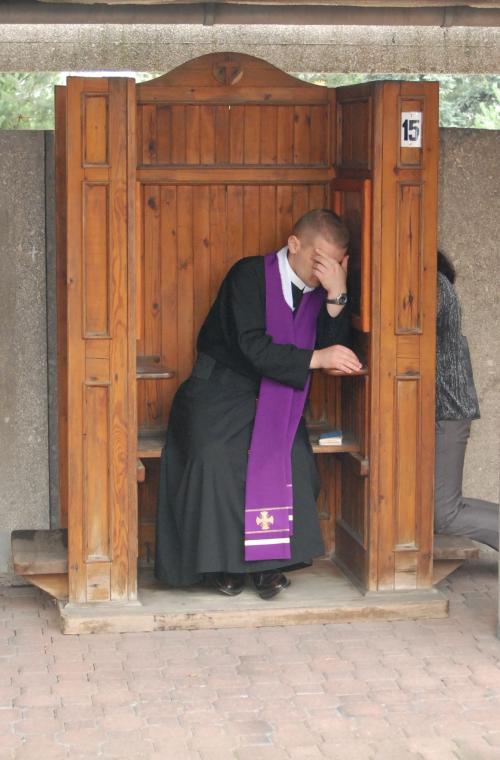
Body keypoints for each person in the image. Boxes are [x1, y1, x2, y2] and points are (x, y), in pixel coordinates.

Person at [155, 209, 362, 599]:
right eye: (318, 260)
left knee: (291, 458)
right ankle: (223, 566)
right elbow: (251, 345)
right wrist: (317, 357)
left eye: (333, 264)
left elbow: (334, 348)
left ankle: (269, 564)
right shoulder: (250, 275)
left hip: (279, 394)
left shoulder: (323, 292)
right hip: (218, 388)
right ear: (294, 244)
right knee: (215, 456)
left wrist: (337, 295)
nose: (323, 271)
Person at [435, 251, 498, 551]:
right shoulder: (440, 284)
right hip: (447, 411)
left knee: (444, 515)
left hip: (447, 413)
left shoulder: (434, 286)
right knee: (444, 505)